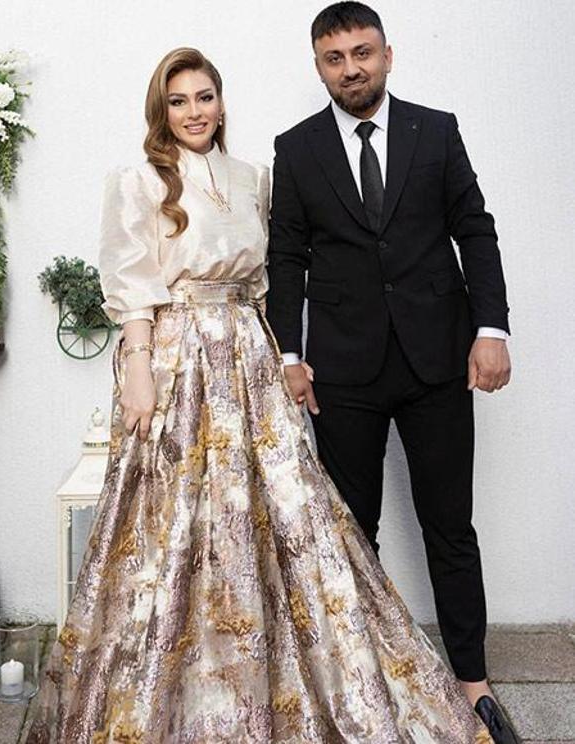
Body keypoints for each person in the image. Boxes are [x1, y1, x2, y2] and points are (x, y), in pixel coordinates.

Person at [27, 47, 491, 742]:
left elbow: (279, 273)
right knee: (176, 519)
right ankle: (173, 675)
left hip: (249, 356)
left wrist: (289, 359)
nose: (194, 112)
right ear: (161, 110)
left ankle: (279, 665)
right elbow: (131, 280)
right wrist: (140, 367)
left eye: (204, 97)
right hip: (178, 358)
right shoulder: (139, 180)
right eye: (178, 101)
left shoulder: (253, 178)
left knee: (275, 510)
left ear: (221, 103)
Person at [265, 3, 517, 742]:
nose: (351, 68)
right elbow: (287, 257)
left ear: (387, 55)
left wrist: (491, 329)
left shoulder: (435, 131)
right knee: (352, 532)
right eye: (335, 57)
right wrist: (289, 356)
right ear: (319, 66)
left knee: (450, 527)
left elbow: (474, 229)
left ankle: (473, 684)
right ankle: (363, 680)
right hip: (343, 370)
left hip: (439, 359)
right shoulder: (297, 148)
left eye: (362, 52)